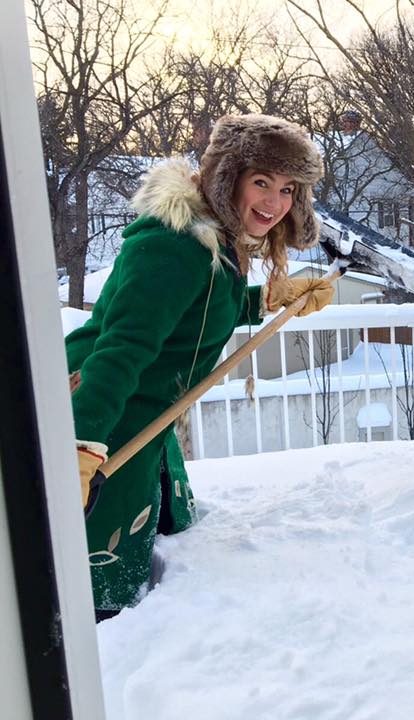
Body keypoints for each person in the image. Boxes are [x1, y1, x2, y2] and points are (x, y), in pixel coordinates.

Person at [67, 114, 336, 618]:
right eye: (261, 182)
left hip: (148, 426)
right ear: (226, 176)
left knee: (162, 564)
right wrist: (79, 449)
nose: (274, 203)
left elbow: (194, 313)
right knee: (98, 601)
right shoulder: (173, 246)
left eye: (287, 189)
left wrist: (266, 299)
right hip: (106, 416)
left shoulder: (212, 238)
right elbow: (122, 349)